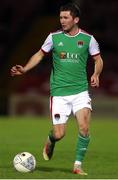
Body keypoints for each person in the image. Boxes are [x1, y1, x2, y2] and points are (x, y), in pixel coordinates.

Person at [11, 3, 103, 176]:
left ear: (76, 19)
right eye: (61, 17)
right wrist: (24, 68)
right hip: (59, 93)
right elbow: (39, 54)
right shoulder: (53, 37)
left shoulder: (88, 39)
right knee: (60, 134)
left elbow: (98, 60)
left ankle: (77, 165)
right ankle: (51, 139)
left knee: (84, 128)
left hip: (80, 92)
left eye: (66, 17)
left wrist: (96, 74)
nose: (62, 21)